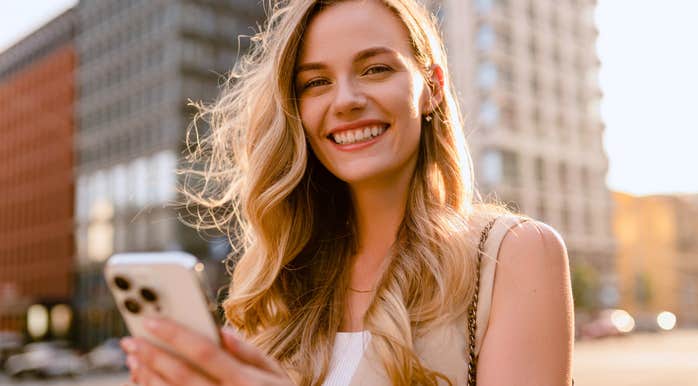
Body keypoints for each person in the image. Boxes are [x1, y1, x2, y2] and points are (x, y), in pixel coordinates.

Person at [120, 0, 574, 385]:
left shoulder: (514, 253)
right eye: (316, 83)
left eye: (375, 69)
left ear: (432, 88)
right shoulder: (275, 285)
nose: (345, 101)